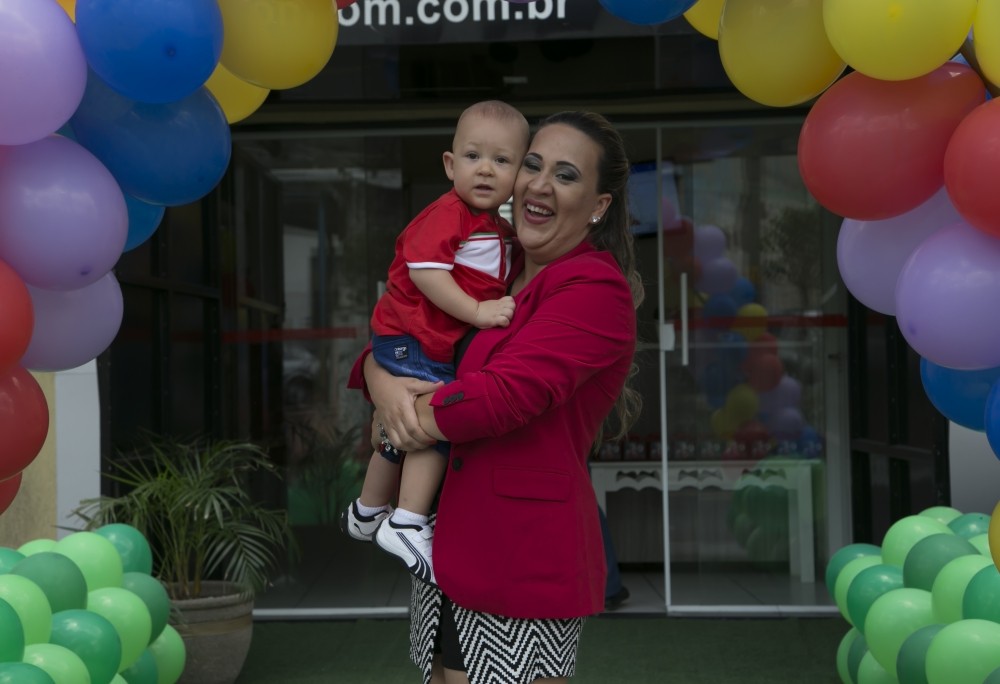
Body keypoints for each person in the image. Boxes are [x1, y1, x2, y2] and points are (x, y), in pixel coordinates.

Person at [357, 110, 643, 684]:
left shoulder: (594, 288)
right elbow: (408, 334)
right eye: (532, 165)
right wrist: (380, 378)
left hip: (518, 552)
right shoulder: (492, 272)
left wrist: (402, 418)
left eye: (565, 175)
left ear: (597, 206)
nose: (538, 183)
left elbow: (502, 398)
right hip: (448, 545)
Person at [340, 100, 530, 587]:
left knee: (402, 427)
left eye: (502, 160)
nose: (485, 169)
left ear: (519, 174)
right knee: (436, 421)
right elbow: (426, 274)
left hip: (420, 343)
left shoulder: (498, 229)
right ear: (450, 165)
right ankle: (405, 521)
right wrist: (478, 312)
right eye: (472, 156)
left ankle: (366, 511)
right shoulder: (449, 214)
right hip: (412, 340)